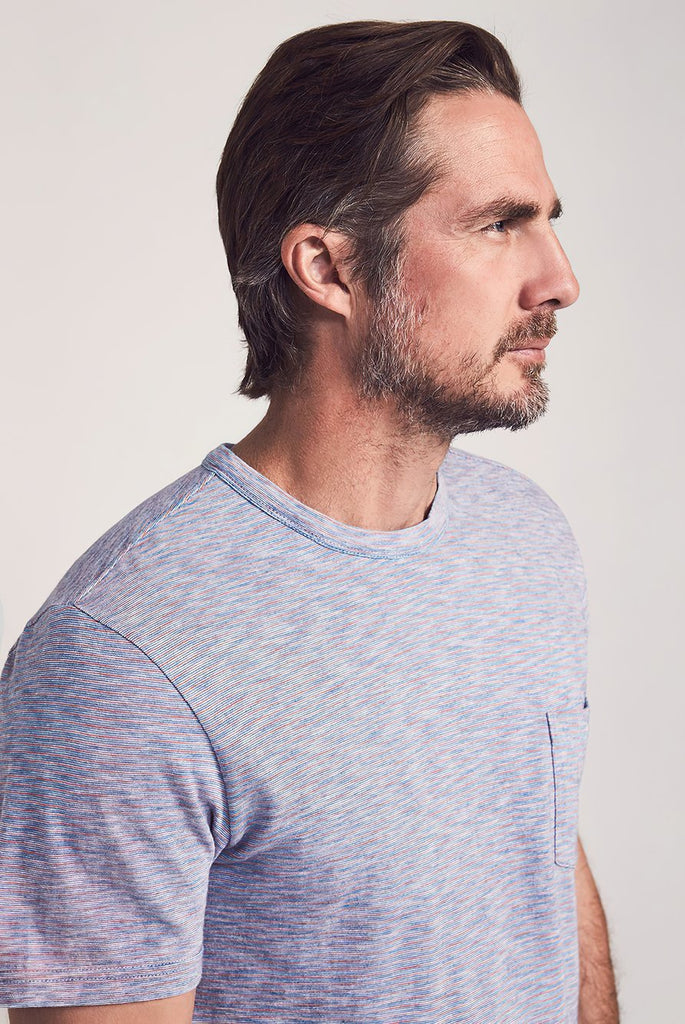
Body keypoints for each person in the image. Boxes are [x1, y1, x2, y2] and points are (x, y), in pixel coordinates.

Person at [0, 19, 619, 1024]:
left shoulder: (524, 541)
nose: (561, 278)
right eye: (500, 224)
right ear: (328, 269)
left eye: (548, 219)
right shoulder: (120, 661)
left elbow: (538, 862)